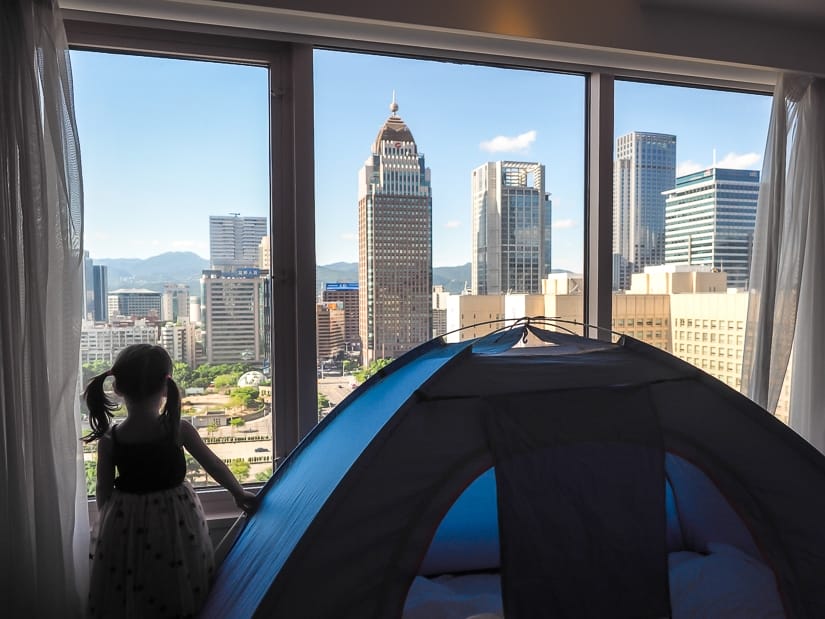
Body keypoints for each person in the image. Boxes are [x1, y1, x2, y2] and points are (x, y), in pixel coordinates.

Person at [83, 344, 258, 618]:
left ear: (117, 388)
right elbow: (213, 464)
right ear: (166, 386)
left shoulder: (110, 440)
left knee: (133, 587)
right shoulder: (178, 429)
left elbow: (103, 491)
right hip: (176, 520)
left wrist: (110, 527)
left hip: (125, 522)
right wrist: (238, 493)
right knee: (177, 583)